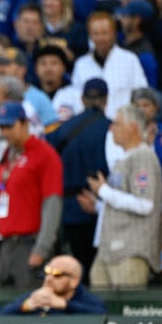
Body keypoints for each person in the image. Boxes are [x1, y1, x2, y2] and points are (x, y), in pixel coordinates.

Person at [86, 104, 162, 289]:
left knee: (125, 312)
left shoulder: (143, 157)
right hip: (109, 249)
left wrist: (104, 191)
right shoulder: (125, 159)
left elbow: (145, 204)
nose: (111, 128)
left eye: (117, 124)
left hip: (130, 250)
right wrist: (99, 202)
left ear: (132, 127)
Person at [47, 78, 111, 279]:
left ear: (83, 99)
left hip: (67, 207)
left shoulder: (63, 129)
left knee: (71, 272)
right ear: (106, 100)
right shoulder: (112, 129)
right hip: (99, 206)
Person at [0, 102, 63, 288]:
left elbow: (53, 203)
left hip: (29, 243)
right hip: (8, 243)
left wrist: (42, 247)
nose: (5, 132)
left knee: (29, 306)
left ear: (24, 124)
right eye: (2, 127)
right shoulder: (7, 155)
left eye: (9, 126)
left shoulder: (44, 154)